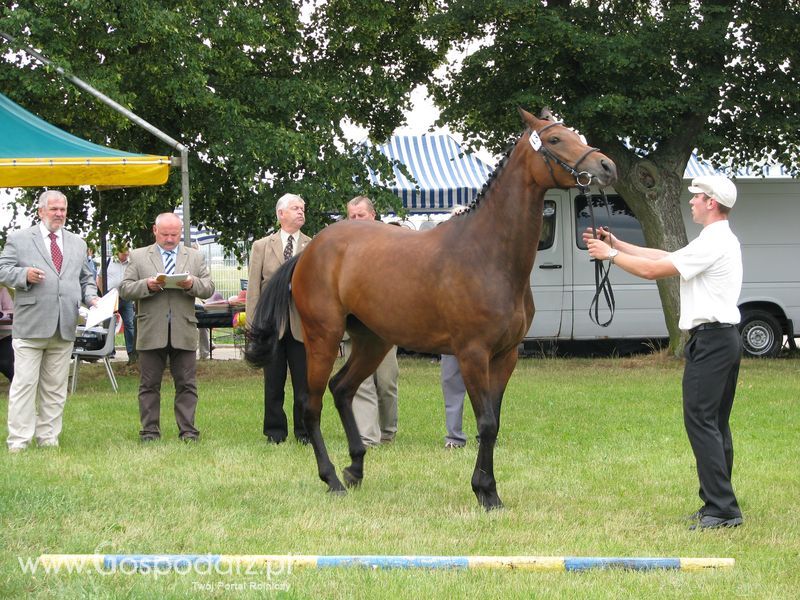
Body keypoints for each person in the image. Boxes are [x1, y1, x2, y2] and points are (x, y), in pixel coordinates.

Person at [585, 175, 744, 530]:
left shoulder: (714, 241)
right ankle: (718, 504)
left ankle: (721, 509)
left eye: (697, 197)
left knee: (702, 423)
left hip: (713, 342)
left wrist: (609, 255)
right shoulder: (715, 239)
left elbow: (653, 270)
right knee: (714, 424)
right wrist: (618, 244)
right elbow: (665, 256)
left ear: (712, 203)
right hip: (721, 340)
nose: (692, 201)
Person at [0, 190, 98, 452]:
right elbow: (3, 270)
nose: (59, 214)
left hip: (64, 325)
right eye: (54, 209)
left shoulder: (77, 242)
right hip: (31, 326)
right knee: (24, 386)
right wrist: (24, 275)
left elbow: (86, 278)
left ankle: (48, 440)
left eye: (63, 209)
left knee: (55, 388)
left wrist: (92, 299)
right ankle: (18, 442)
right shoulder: (19, 239)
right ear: (41, 211)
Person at [119, 212, 214, 442]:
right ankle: (150, 431)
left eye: (175, 234)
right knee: (149, 384)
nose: (170, 239)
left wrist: (192, 284)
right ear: (155, 231)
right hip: (151, 330)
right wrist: (147, 285)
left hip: (184, 329)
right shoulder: (139, 256)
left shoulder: (195, 256)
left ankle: (188, 431)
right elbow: (124, 289)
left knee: (187, 384)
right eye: (165, 234)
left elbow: (208, 288)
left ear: (181, 232)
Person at [246, 193, 311, 444]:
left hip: (301, 325)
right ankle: (274, 432)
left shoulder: (312, 244)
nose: (301, 212)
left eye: (303, 208)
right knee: (273, 384)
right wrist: (253, 327)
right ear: (280, 214)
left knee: (303, 384)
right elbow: (254, 290)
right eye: (295, 208)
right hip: (271, 326)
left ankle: (304, 432)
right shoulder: (262, 246)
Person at [340, 196, 400, 446]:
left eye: (360, 215)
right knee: (361, 382)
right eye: (351, 216)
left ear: (373, 216)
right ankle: (367, 437)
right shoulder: (341, 246)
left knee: (386, 383)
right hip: (353, 326)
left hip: (384, 329)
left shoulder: (393, 243)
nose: (355, 221)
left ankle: (387, 431)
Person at [99, 246, 137, 364]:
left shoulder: (131, 264)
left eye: (127, 253)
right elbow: (100, 278)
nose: (126, 255)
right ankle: (109, 351)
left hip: (126, 297)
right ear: (118, 252)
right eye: (124, 253)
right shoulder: (108, 261)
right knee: (110, 324)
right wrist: (103, 295)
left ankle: (131, 352)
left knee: (129, 324)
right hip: (111, 297)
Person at [0, 286, 14, 382]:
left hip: (3, 336)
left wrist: (1, 314)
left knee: (6, 363)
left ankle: (20, 389)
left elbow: (11, 310)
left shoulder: (2, 289)